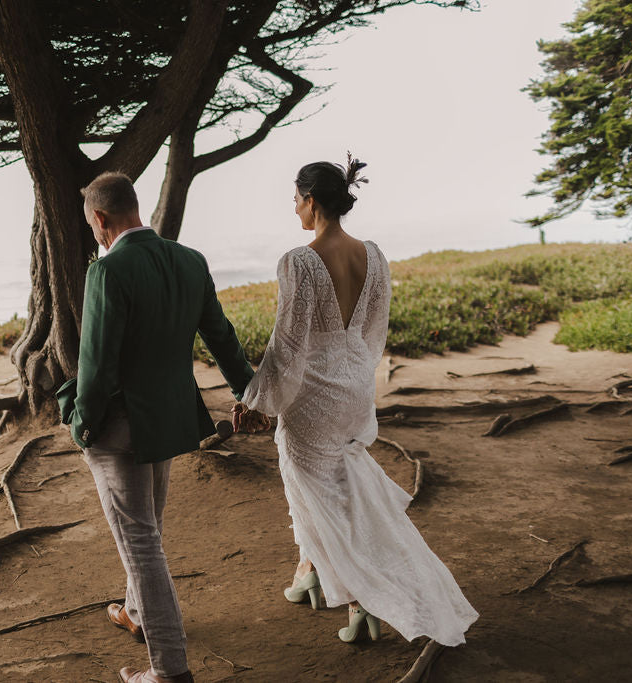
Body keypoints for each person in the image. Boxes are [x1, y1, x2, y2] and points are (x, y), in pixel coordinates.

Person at [233, 156, 478, 646]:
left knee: (322, 498)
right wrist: (355, 378)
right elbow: (372, 331)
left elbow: (288, 343)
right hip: (352, 383)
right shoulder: (375, 255)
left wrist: (258, 400)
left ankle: (361, 604)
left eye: (296, 197)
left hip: (312, 395)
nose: (293, 207)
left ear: (312, 201)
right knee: (322, 490)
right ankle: (308, 575)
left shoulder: (299, 260)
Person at [56, 172, 255, 683]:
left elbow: (95, 365)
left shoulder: (107, 271)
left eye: (92, 225)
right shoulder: (190, 260)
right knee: (148, 528)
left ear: (99, 219)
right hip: (166, 418)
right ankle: (138, 614)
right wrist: (251, 393)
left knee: (141, 542)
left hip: (118, 429)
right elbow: (222, 337)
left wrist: (82, 426)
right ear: (134, 207)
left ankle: (169, 671)